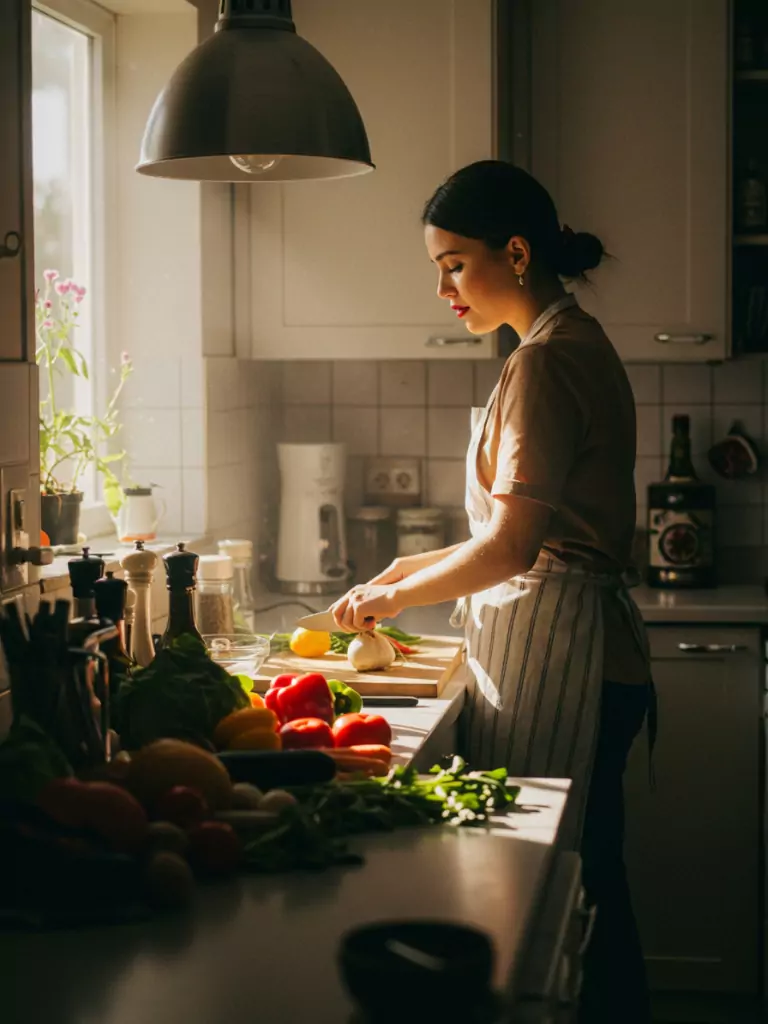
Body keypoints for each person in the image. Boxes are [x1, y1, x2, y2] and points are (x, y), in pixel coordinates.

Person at [331, 159, 655, 1024]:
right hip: (573, 646)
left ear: (514, 253)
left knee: (563, 893)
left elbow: (513, 548)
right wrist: (409, 570)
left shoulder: (547, 363)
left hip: (567, 654)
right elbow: (523, 532)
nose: (444, 290)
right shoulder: (561, 344)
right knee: (585, 882)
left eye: (452, 265)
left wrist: (394, 602)